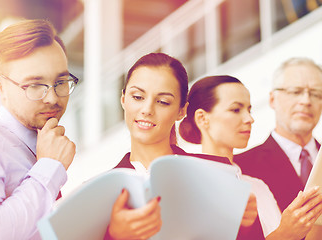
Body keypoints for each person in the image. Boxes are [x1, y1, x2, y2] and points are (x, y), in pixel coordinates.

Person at [105, 53, 259, 240]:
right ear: (123, 100)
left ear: (181, 111)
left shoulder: (218, 172)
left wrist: (243, 226)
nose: (147, 109)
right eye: (137, 97)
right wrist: (114, 236)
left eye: (162, 102)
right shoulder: (104, 190)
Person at [0, 19, 77, 239]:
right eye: (35, 85)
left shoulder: (47, 147)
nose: (52, 98)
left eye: (61, 82)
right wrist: (50, 166)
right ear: (0, 86)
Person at [179, 75, 322, 240]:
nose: (249, 119)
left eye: (249, 109)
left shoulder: (258, 186)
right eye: (235, 109)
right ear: (203, 118)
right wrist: (285, 233)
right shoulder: (189, 184)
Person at [234, 57, 322, 212]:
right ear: (272, 99)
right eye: (296, 92)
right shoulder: (241, 169)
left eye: (316, 94)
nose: (306, 100)